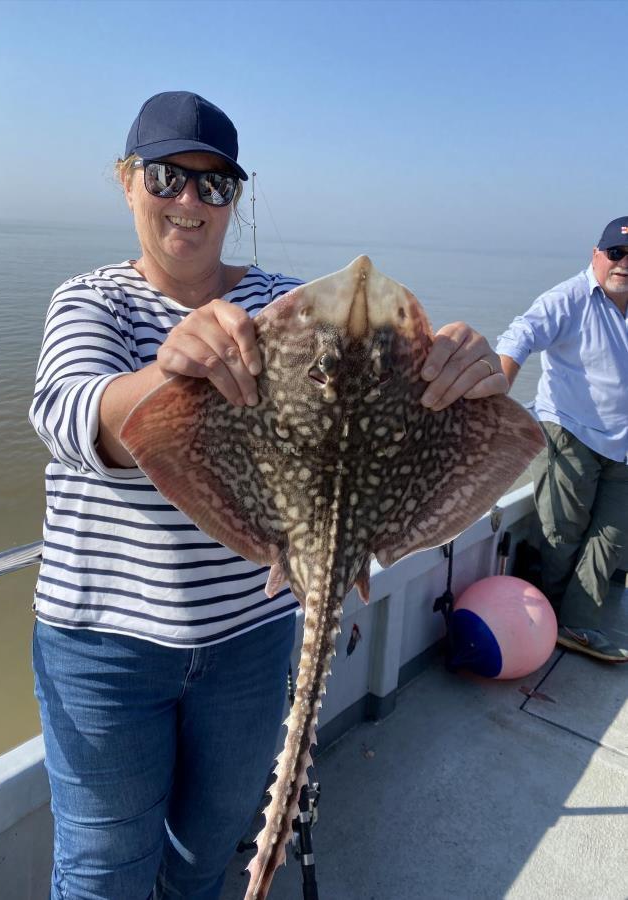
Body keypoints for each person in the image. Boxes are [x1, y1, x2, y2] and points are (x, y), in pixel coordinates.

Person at [29, 89, 511, 900]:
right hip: (103, 650)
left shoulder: (285, 309)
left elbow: (402, 404)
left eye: (213, 185)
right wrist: (169, 372)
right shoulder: (91, 298)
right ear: (124, 180)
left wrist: (471, 380)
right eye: (166, 176)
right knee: (103, 872)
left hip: (249, 643)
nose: (189, 200)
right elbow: (71, 416)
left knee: (205, 856)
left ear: (235, 197)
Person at [496, 216, 628, 664]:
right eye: (616, 253)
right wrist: (495, 396)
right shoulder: (571, 298)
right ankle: (540, 622)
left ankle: (576, 626)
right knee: (562, 536)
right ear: (596, 254)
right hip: (570, 434)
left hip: (624, 447)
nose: (623, 263)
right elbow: (522, 334)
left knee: (609, 540)